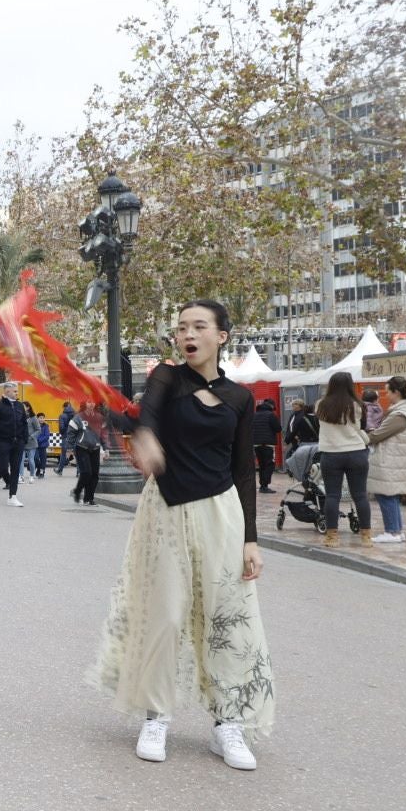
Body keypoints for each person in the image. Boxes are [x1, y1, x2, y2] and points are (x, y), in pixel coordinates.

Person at [89, 299, 270, 772]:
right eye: (182, 327)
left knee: (226, 617)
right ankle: (157, 715)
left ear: (221, 336)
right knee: (165, 614)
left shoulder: (240, 398)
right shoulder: (167, 378)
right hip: (166, 508)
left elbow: (243, 470)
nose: (187, 334)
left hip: (222, 513)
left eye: (199, 326)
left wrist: (251, 538)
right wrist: (144, 436)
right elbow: (146, 414)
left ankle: (228, 723)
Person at [367, 375, 406, 544]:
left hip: (391, 460)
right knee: (390, 495)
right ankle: (396, 531)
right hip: (397, 460)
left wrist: (363, 435)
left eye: (388, 392)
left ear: (397, 393)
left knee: (386, 495)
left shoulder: (400, 415)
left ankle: (392, 531)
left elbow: (378, 435)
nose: (386, 395)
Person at [316, 371, 373, 548]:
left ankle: (332, 537)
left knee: (332, 496)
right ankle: (366, 537)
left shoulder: (320, 405)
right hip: (356, 452)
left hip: (331, 454)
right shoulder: (358, 405)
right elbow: (362, 427)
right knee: (360, 496)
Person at [0, 385, 27, 506]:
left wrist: (24, 439)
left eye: (16, 391)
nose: (16, 393)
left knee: (15, 469)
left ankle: (12, 497)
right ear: (7, 391)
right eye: (14, 391)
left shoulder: (20, 406)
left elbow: (24, 423)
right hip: (3, 441)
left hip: (18, 442)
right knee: (3, 467)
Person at [68, 403, 102, 505]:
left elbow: (104, 434)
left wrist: (106, 448)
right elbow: (70, 433)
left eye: (93, 402)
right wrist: (69, 449)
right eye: (89, 402)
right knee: (87, 472)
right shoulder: (78, 417)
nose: (91, 404)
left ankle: (89, 498)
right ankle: (77, 491)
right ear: (85, 404)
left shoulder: (99, 417)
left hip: (96, 447)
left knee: (95, 474)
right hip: (82, 447)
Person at [251, 399, 281, 493]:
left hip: (256, 444)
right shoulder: (271, 415)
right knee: (269, 465)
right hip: (268, 444)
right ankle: (265, 486)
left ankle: (262, 485)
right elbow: (278, 429)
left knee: (262, 465)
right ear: (271, 406)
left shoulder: (254, 415)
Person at [55, 401, 76, 474]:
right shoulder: (76, 415)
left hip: (66, 436)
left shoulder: (62, 415)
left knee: (63, 454)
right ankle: (79, 472)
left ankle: (60, 470)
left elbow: (61, 427)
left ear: (64, 407)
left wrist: (63, 433)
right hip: (75, 437)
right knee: (77, 454)